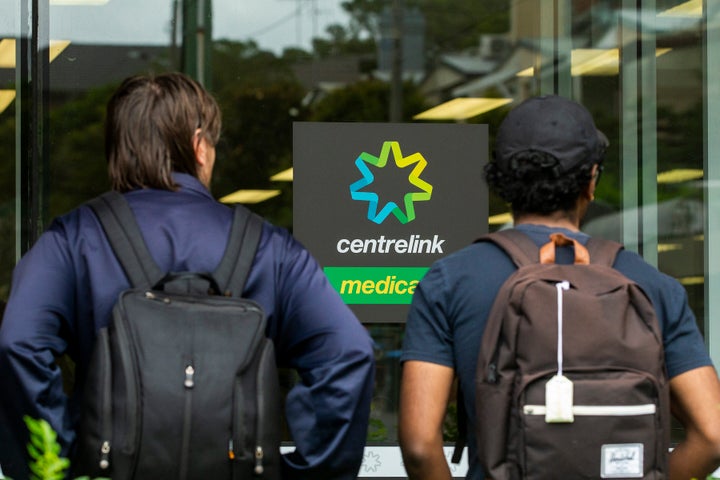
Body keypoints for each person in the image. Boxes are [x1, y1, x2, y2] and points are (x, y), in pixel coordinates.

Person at [0, 72, 375, 480]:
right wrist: (304, 473)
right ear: (200, 146)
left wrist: (56, 465)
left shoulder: (72, 240)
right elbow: (349, 353)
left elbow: (18, 342)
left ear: (117, 151)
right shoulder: (272, 248)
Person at [398, 95, 720, 480]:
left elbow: (419, 445)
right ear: (591, 181)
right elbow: (713, 436)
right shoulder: (652, 285)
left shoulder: (449, 281)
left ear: (502, 183)